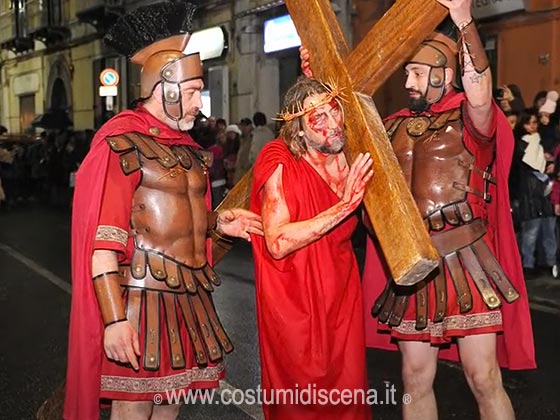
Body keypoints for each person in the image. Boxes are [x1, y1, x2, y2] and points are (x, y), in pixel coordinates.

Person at [302, 1, 535, 419]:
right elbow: (338, 132)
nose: (407, 80)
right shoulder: (388, 126)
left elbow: (480, 86)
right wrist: (317, 82)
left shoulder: (471, 120)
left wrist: (463, 16)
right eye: (406, 71)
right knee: (414, 378)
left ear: (444, 76)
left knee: (482, 377)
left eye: (416, 73)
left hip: (469, 264)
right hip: (413, 264)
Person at [63, 3, 263, 420]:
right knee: (132, 411)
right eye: (192, 94)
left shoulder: (189, 153)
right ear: (165, 87)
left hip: (188, 299)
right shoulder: (123, 144)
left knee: (171, 406)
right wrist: (115, 320)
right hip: (138, 299)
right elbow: (103, 242)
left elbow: (176, 220)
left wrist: (218, 223)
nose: (199, 105)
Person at [249, 76, 374, 420]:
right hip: (293, 299)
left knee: (349, 395)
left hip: (341, 293)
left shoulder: (352, 153)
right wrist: (345, 205)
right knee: (302, 402)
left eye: (335, 112)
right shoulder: (278, 160)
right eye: (318, 119)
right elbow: (277, 242)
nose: (333, 125)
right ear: (299, 131)